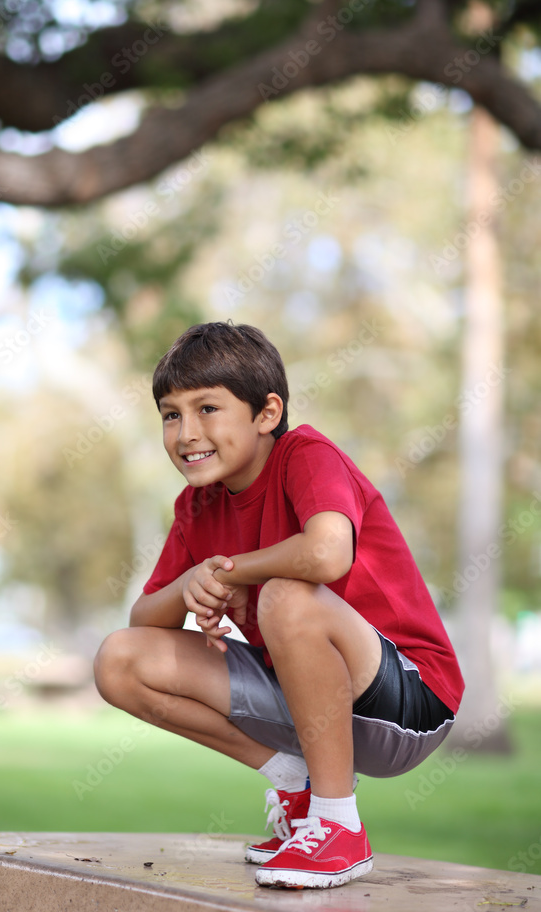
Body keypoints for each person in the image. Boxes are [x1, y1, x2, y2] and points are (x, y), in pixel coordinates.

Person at [94, 321, 464, 890]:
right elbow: (144, 623)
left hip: (410, 700)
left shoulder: (305, 455)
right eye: (171, 414)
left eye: (207, 408)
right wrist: (194, 579)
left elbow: (326, 555)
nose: (186, 432)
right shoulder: (196, 506)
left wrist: (237, 571)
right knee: (118, 659)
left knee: (287, 596)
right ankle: (295, 782)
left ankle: (340, 827)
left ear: (267, 413)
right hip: (304, 697)